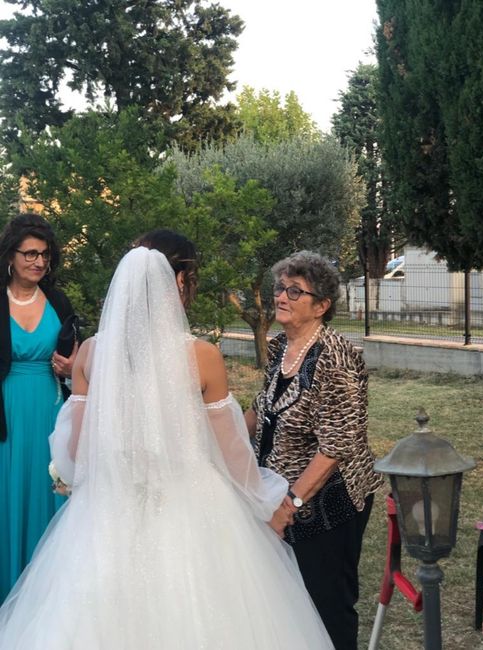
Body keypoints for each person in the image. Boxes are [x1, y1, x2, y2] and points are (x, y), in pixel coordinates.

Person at [0, 230, 334, 649]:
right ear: (177, 281)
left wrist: (73, 477)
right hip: (191, 509)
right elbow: (232, 451)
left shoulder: (91, 353)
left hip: (108, 513)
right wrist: (264, 503)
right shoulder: (201, 356)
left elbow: (73, 452)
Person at [246, 250, 383, 650]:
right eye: (280, 287)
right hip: (280, 490)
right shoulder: (280, 348)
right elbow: (262, 407)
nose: (281, 296)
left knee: (326, 605)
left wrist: (288, 506)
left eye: (295, 291)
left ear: (321, 305)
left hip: (327, 502)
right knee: (290, 603)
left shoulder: (336, 357)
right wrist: (213, 435)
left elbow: (336, 446)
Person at [0, 213, 77, 603]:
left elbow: (76, 360)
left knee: (48, 496)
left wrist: (70, 368)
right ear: (10, 256)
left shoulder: (58, 302)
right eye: (29, 253)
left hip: (49, 412)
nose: (38, 261)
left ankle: (42, 606)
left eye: (44, 254)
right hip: (6, 414)